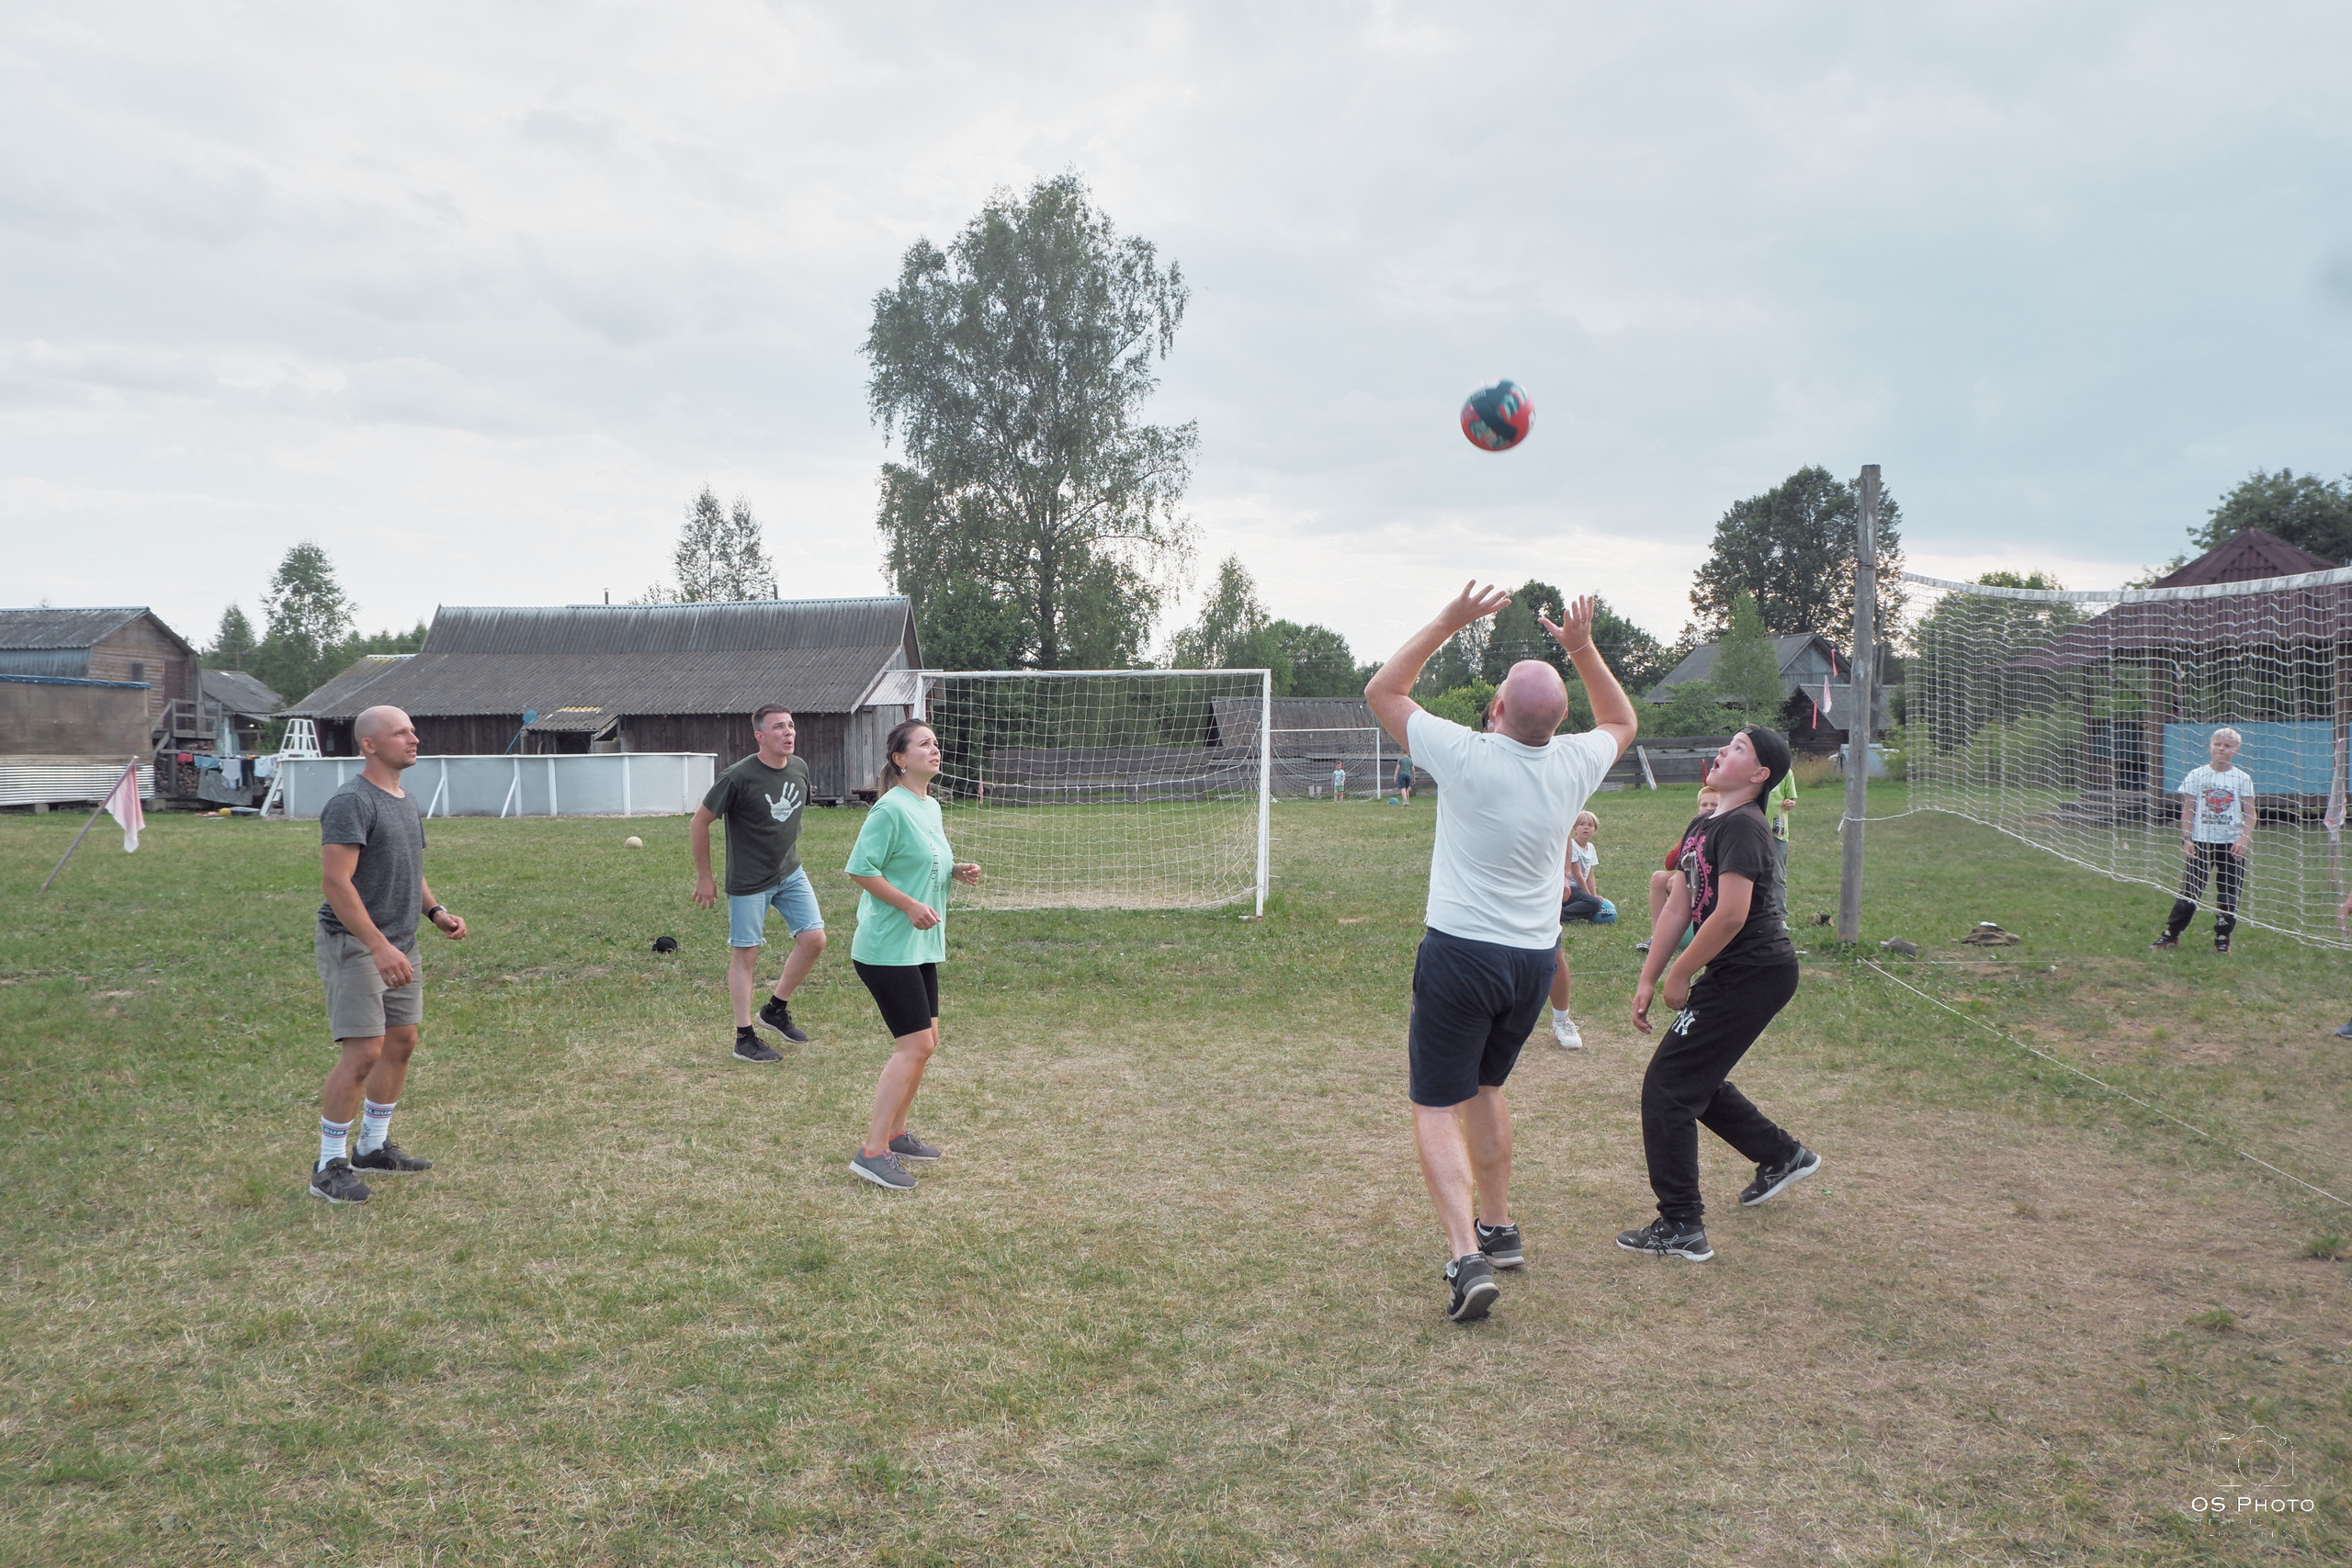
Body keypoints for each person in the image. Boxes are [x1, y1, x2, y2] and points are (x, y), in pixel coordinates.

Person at [1366, 582, 1637, 1323]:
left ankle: (1465, 1256)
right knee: (1484, 1089)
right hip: (1531, 964)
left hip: (1461, 953)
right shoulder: (1576, 762)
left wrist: (1451, 619)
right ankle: (1499, 1224)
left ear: (1493, 713)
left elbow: (1384, 688)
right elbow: (1620, 716)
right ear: (1560, 721)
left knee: (1432, 1101)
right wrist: (1581, 647)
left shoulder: (1465, 752)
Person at [1623, 727, 1817, 1262]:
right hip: (1739, 972)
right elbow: (1679, 906)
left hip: (1755, 971)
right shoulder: (1705, 822)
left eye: (1738, 749)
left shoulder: (1746, 828)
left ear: (1759, 776)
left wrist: (1682, 973)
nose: (1723, 752)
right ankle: (1782, 1154)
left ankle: (1681, 1224)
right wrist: (1649, 976)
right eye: (1727, 744)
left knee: (1668, 1087)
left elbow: (1730, 914)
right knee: (1690, 1080)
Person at [307, 705, 469, 1204]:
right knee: (364, 1051)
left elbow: (409, 865)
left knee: (401, 1042)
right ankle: (328, 1164)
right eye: (401, 733)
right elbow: (336, 883)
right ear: (370, 745)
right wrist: (376, 946)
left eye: (414, 731)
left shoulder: (404, 799)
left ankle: (373, 1148)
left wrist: (435, 911)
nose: (414, 739)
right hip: (356, 944)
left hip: (400, 942)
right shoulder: (351, 802)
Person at [843, 720, 980, 1191]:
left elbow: (923, 863)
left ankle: (896, 1135)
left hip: (920, 944)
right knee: (915, 1045)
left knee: (928, 1041)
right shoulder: (889, 810)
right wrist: (908, 904)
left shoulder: (930, 806)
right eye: (924, 744)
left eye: (936, 743)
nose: (935, 750)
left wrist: (955, 871)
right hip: (886, 948)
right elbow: (860, 870)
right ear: (900, 759)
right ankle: (871, 1151)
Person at [692, 705, 826, 1063]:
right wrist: (705, 878)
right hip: (750, 881)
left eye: (791, 726)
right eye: (779, 727)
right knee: (746, 954)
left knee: (814, 940)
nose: (788, 732)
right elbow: (699, 822)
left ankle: (775, 1010)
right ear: (760, 736)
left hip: (789, 872)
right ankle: (744, 1037)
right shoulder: (737, 777)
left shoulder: (799, 768)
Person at [2154, 727, 2255, 954]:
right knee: (2189, 891)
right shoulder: (2196, 775)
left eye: (2227, 746)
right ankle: (2171, 934)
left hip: (2231, 845)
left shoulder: (2242, 778)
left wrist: (2243, 839)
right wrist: (2187, 839)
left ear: (2236, 751)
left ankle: (2223, 937)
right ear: (2210, 747)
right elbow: (2188, 810)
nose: (2221, 749)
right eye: (2217, 744)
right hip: (2201, 843)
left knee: (2229, 893)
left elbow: (2251, 813)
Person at [1547, 811, 1612, 1049]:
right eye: (1581, 825)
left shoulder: (1589, 848)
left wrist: (1592, 896)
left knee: (1555, 953)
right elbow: (1578, 873)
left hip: (1553, 888)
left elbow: (1588, 873)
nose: (1585, 828)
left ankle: (1561, 1019)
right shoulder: (1575, 845)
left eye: (1590, 825)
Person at [1634, 784, 1719, 956]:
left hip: (1715, 886)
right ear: (1698, 808)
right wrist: (1689, 839)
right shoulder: (1695, 830)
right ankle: (1658, 938)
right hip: (1691, 882)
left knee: (1678, 881)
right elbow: (1669, 863)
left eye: (1714, 805)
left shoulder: (1724, 830)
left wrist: (1685, 878)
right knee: (1659, 877)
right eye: (1704, 804)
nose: (1708, 808)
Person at [1770, 769, 1798, 928]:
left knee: (1777, 874)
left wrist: (1790, 803)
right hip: (1753, 829)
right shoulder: (1752, 769)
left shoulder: (1785, 772)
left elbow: (1791, 798)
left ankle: (1780, 917)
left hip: (1777, 832)